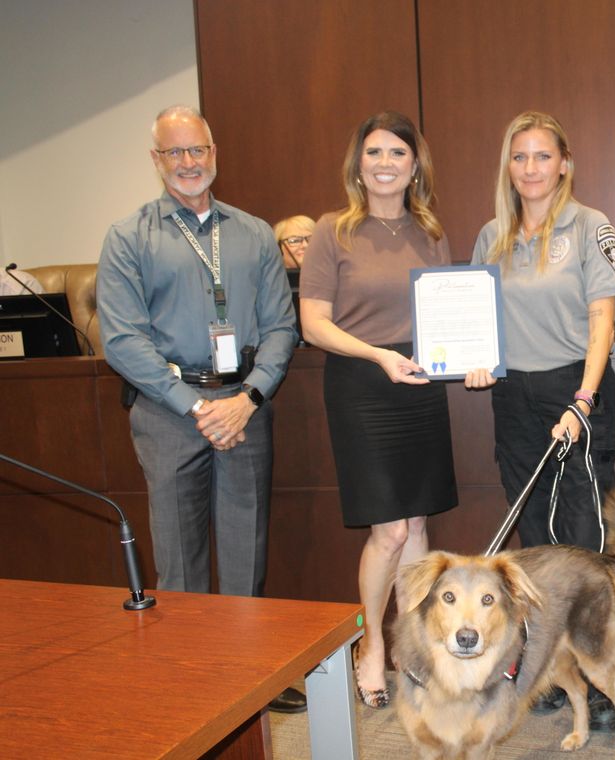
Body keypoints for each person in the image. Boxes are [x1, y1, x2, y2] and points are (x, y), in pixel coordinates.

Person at [97, 106, 303, 713]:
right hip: (168, 411)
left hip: (245, 405)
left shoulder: (255, 233)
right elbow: (123, 341)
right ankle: (186, 683)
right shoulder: (129, 236)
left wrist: (247, 400)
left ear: (215, 153)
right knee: (179, 560)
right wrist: (196, 407)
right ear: (156, 161)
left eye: (198, 150)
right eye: (174, 153)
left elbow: (281, 329)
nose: (188, 163)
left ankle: (250, 682)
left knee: (246, 552)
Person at [465, 111, 615, 729]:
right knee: (533, 536)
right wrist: (478, 362)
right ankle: (555, 668)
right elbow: (478, 324)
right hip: (512, 395)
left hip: (575, 388)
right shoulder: (492, 235)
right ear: (507, 167)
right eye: (519, 157)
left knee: (583, 538)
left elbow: (602, 322)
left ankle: (605, 669)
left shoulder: (592, 226)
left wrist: (582, 400)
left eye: (542, 156)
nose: (530, 169)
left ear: (564, 163)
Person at [299, 111, 458, 710]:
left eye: (397, 153)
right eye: (374, 153)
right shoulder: (331, 230)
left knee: (418, 525)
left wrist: (468, 358)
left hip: (419, 384)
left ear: (415, 165)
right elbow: (313, 324)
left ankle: (410, 645)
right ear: (357, 164)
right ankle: (370, 646)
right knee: (388, 529)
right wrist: (378, 356)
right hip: (363, 387)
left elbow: (448, 315)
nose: (385, 163)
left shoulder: (431, 231)